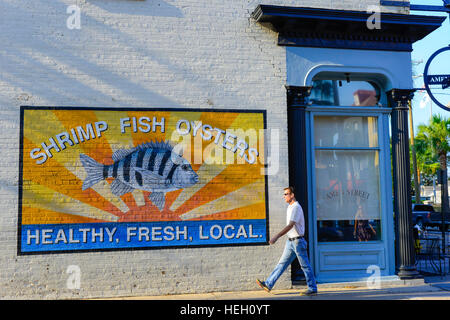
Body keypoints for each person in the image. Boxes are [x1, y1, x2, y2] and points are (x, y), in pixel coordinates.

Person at [256, 187, 318, 296]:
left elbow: (290, 225)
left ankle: (312, 288)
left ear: (292, 195)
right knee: (282, 263)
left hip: (298, 242)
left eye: (286, 194)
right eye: (284, 194)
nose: (284, 196)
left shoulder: (296, 207)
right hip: (290, 242)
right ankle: (268, 284)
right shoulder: (290, 207)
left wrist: (276, 236)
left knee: (305, 266)